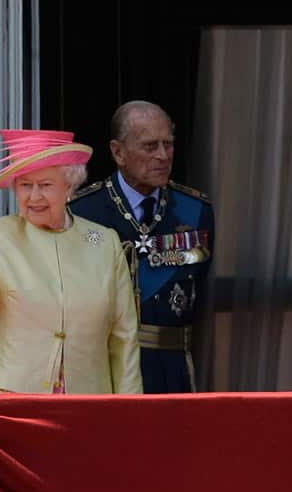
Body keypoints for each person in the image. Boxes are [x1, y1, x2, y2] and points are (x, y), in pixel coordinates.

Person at [0, 129, 142, 394]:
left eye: (45, 185)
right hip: (12, 397)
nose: (34, 196)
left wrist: (128, 409)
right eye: (25, 185)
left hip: (88, 400)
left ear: (69, 186)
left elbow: (124, 337)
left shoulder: (105, 243)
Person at [70, 101, 214, 393]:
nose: (163, 156)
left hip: (171, 367)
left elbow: (197, 285)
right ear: (118, 152)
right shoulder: (83, 210)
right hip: (103, 365)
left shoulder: (194, 210)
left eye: (168, 145)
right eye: (150, 146)